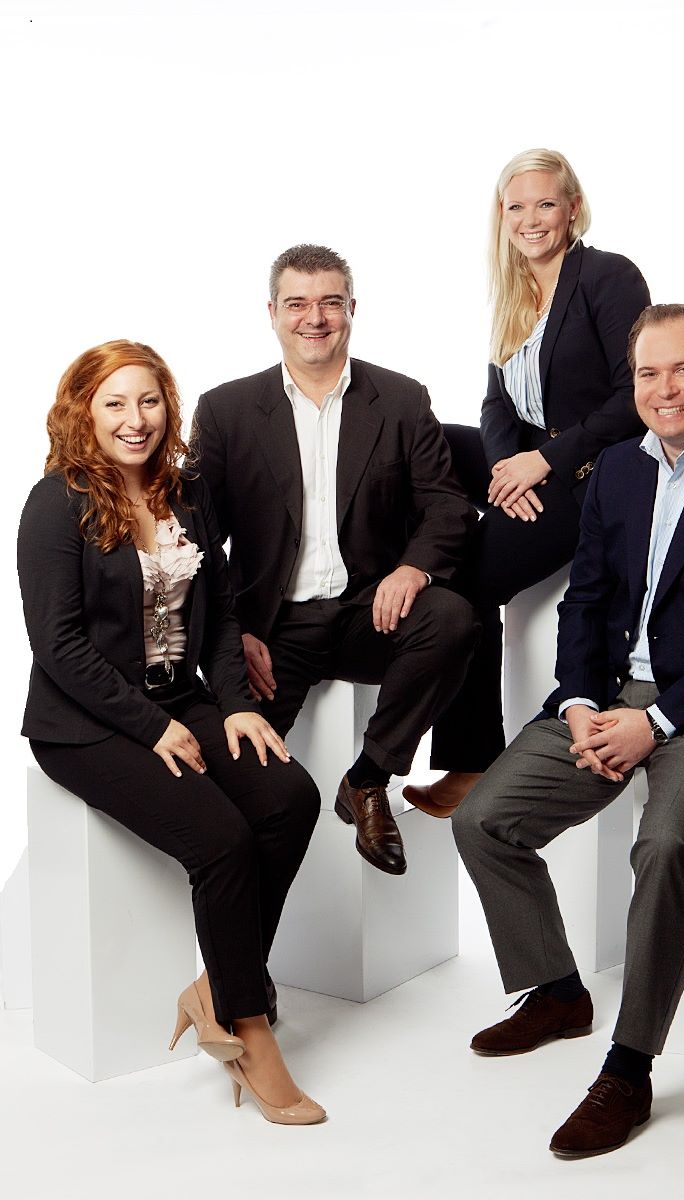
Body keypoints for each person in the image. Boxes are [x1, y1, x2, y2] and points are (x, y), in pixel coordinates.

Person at [452, 305, 684, 1158]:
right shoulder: (617, 466)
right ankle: (557, 991)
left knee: (662, 847)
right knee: (483, 820)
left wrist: (653, 723)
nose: (665, 390)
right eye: (649, 374)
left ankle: (628, 1067)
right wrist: (581, 702)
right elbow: (586, 601)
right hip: (611, 692)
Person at [18, 340, 325, 1126]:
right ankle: (247, 1030)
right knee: (221, 840)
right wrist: (151, 726)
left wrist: (235, 706)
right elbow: (58, 646)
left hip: (181, 700)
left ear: (168, 407)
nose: (136, 419)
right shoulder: (54, 504)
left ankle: (218, 987)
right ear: (83, 411)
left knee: (290, 798)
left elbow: (218, 614)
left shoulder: (186, 492)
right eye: (115, 403)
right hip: (85, 723)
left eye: (149, 400)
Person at [191, 243, 478, 877]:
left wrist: (412, 568)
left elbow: (446, 506)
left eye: (330, 302)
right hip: (273, 631)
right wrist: (233, 631)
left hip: (368, 613)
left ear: (352, 309)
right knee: (241, 781)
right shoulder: (225, 411)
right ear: (272, 313)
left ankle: (369, 778)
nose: (314, 318)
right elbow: (198, 539)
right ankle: (238, 926)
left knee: (453, 618)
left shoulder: (401, 399)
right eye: (297, 303)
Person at [403, 148, 651, 818]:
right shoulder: (513, 293)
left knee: (463, 582)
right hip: (532, 461)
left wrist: (543, 463)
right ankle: (380, 569)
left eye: (546, 204)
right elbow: (496, 405)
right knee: (419, 439)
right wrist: (503, 470)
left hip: (596, 471)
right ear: (501, 214)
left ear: (573, 208)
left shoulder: (608, 277)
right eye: (517, 206)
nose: (531, 219)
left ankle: (471, 763)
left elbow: (634, 399)